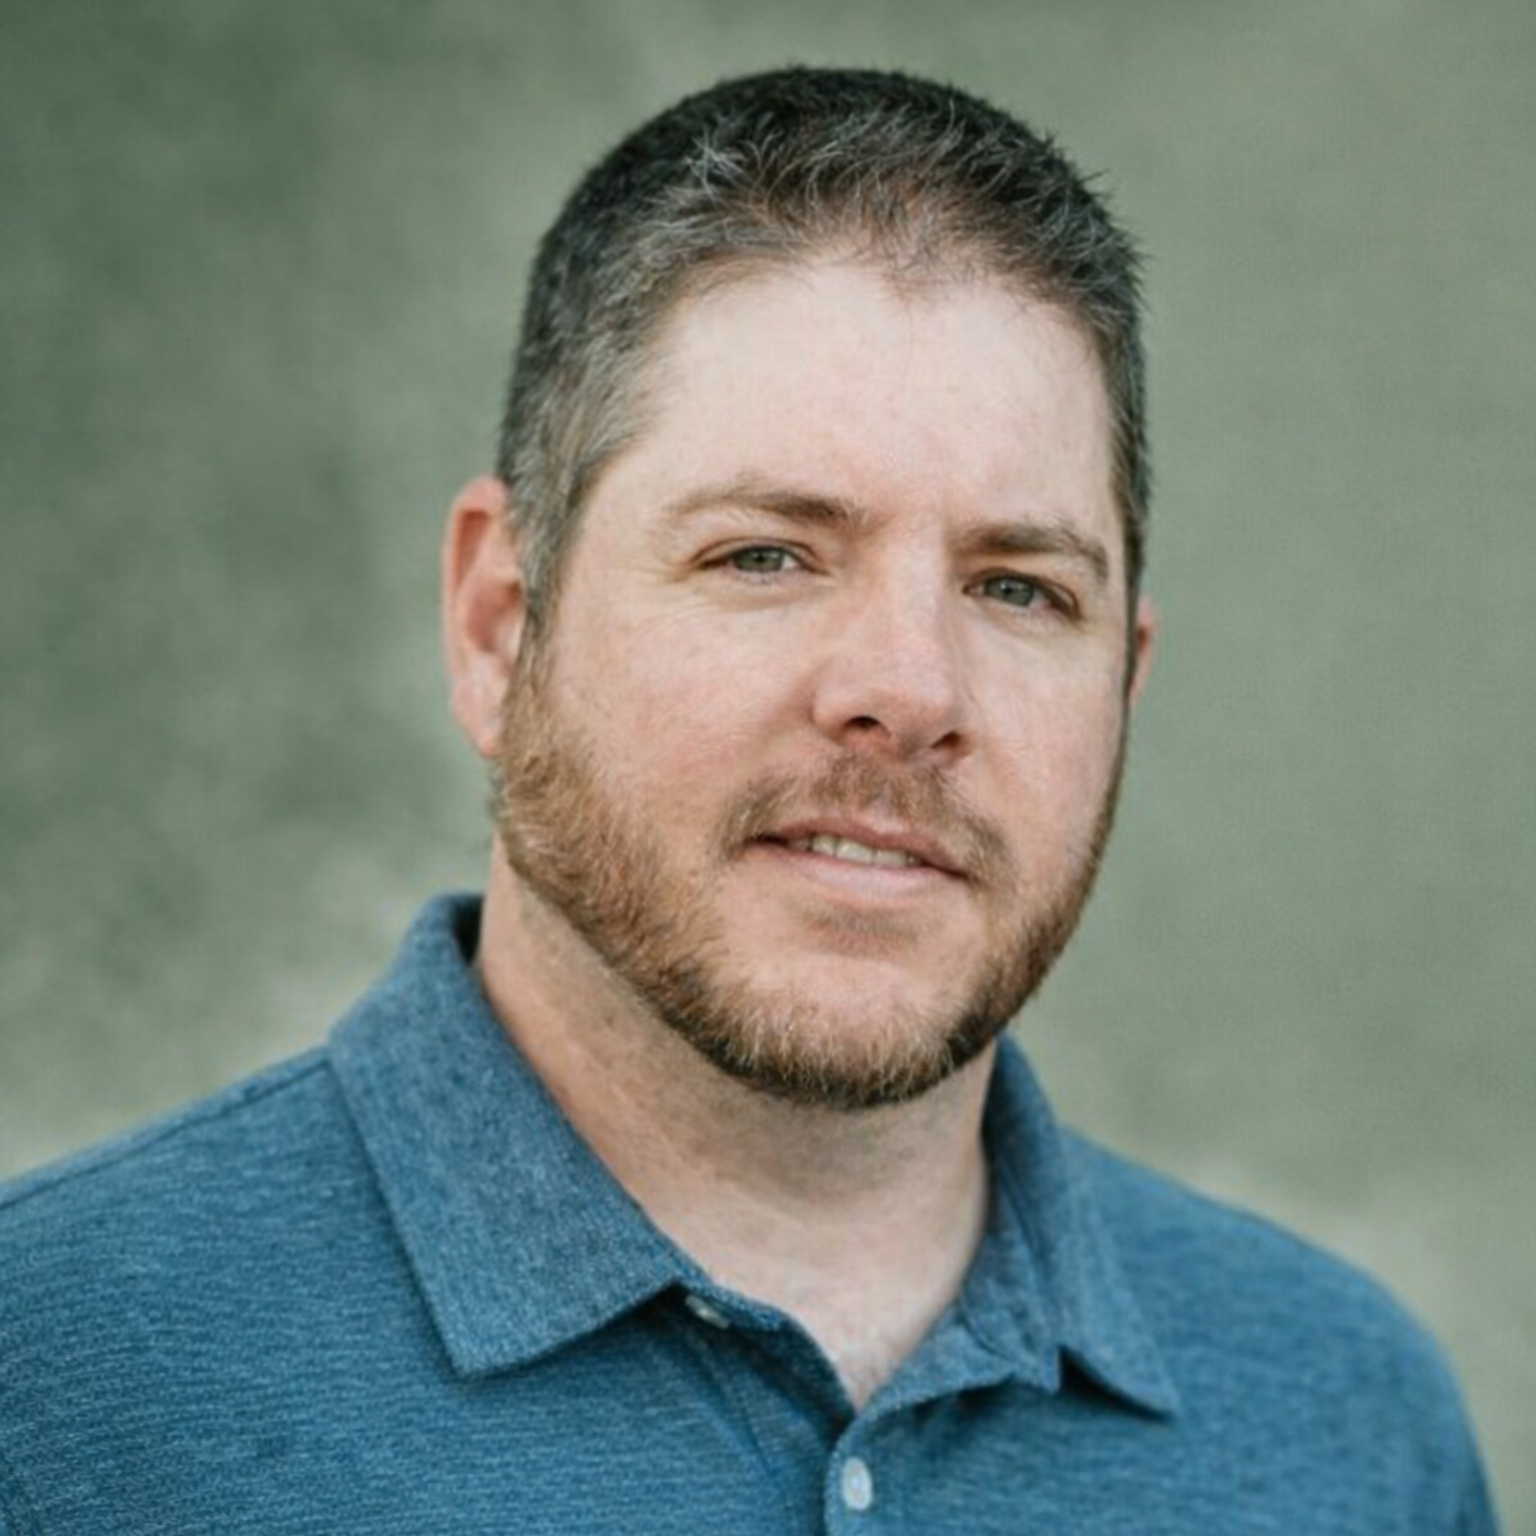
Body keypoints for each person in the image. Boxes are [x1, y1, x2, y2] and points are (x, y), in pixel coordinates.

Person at [0, 66, 1498, 1534]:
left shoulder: (1346, 1425)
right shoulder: (52, 1379)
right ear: (496, 625)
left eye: (1019, 588)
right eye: (766, 555)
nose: (912, 688)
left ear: (1126, 680)